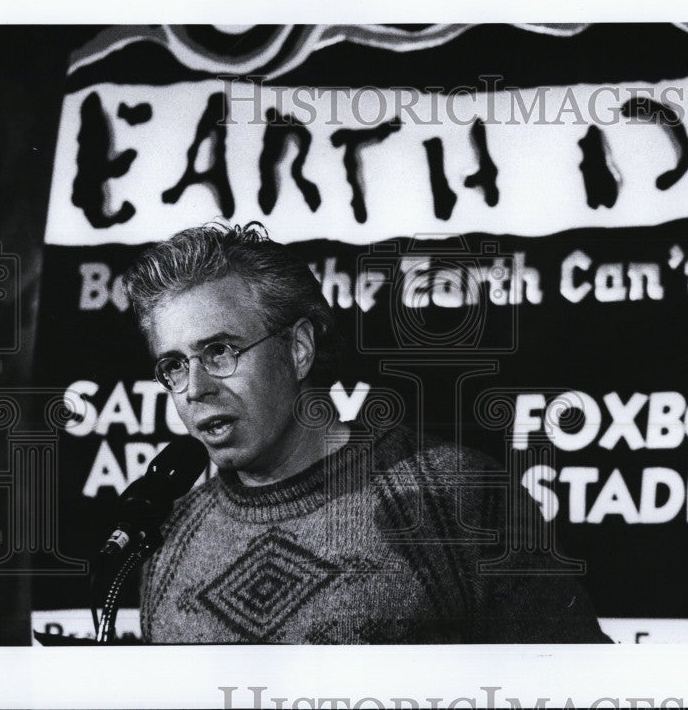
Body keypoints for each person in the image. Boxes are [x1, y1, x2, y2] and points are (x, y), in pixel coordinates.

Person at [124, 222, 607, 643]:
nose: (195, 389)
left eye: (220, 352)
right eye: (174, 365)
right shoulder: (167, 539)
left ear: (298, 349)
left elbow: (577, 686)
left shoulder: (459, 495)